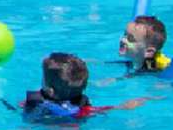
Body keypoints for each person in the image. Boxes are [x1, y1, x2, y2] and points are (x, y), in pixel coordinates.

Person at [9, 53, 151, 125]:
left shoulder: (71, 112)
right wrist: (122, 106)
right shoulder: (82, 109)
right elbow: (103, 109)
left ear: (50, 90)